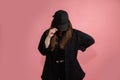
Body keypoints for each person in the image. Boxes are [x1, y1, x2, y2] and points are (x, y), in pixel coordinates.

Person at [38, 10, 95, 80]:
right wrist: (49, 36)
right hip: (52, 70)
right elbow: (43, 51)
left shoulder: (74, 34)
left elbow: (90, 40)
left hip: (70, 69)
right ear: (54, 23)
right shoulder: (47, 33)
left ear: (68, 22)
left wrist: (77, 47)